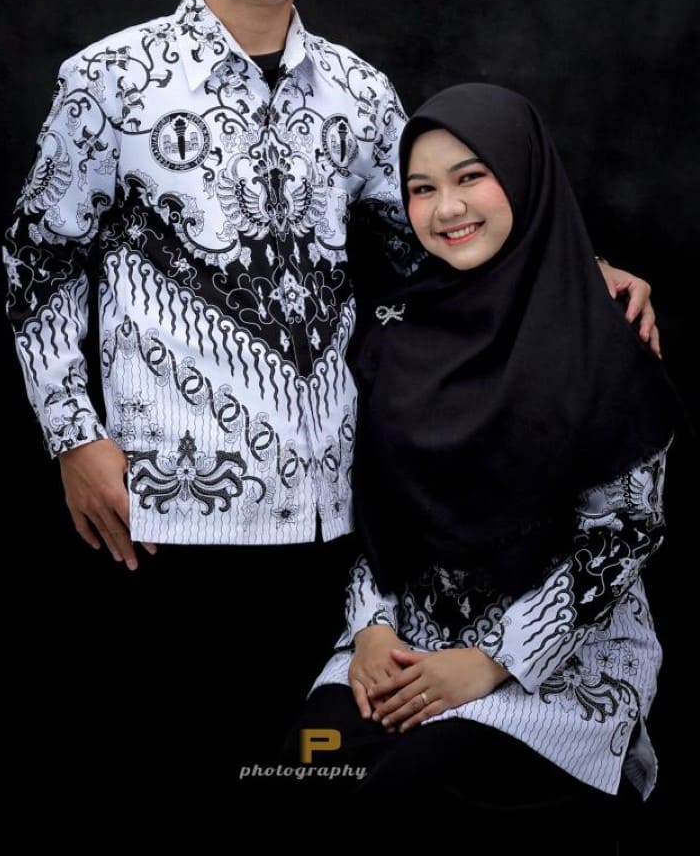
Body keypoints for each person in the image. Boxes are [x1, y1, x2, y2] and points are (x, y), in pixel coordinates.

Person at [3, 0, 658, 790]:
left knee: (302, 776)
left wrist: (579, 269)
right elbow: (37, 259)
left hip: (334, 517)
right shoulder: (110, 81)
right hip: (168, 511)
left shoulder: (357, 92)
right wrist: (73, 436)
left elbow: (441, 236)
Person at [281, 82, 677, 825]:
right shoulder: (396, 328)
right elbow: (377, 506)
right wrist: (371, 629)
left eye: (471, 176)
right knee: (301, 770)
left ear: (524, 176)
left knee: (407, 794)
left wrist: (491, 660)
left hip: (557, 657)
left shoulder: (603, 332)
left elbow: (623, 532)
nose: (448, 208)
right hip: (408, 634)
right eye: (422, 188)